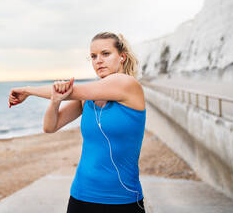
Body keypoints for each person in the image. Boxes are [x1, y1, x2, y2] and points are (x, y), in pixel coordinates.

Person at [8, 32, 146, 213]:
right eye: (93, 56)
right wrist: (55, 100)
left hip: (122, 199)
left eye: (105, 54)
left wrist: (27, 90)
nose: (98, 61)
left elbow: (72, 91)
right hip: (81, 195)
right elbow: (50, 127)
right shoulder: (88, 97)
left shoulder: (127, 84)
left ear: (122, 57)